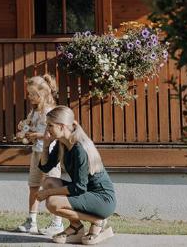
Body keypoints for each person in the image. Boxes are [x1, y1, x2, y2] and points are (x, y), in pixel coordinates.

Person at [36, 105, 117, 245]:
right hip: (86, 193)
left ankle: (97, 221)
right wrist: (45, 145)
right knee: (48, 181)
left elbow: (79, 188)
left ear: (61, 126)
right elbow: (45, 167)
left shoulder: (80, 149)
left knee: (53, 202)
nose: (47, 129)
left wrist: (48, 193)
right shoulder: (62, 144)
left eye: (50, 125)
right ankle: (76, 227)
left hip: (102, 199)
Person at [14, 74, 64, 236]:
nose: (29, 97)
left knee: (52, 186)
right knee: (34, 186)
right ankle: (32, 222)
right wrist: (24, 127)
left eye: (31, 94)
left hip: (50, 154)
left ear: (41, 95)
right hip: (37, 152)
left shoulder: (50, 112)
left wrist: (36, 135)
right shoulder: (34, 111)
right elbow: (31, 127)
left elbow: (52, 133)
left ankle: (57, 223)